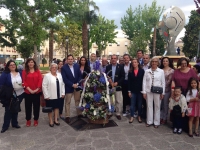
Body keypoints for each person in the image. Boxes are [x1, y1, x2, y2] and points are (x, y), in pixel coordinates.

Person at [171, 57, 198, 132]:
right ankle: (176, 125)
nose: (184, 65)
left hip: (189, 92)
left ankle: (186, 126)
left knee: (186, 109)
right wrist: (172, 91)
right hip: (178, 92)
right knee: (177, 109)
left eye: (185, 63)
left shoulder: (191, 71)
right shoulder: (176, 71)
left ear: (187, 63)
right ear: (179, 64)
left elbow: (196, 81)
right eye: (182, 63)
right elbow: (173, 81)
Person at [0, 60, 24, 133]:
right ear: (8, 66)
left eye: (14, 64)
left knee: (16, 108)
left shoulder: (19, 73)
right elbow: (1, 85)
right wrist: (10, 89)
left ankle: (14, 123)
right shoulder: (5, 74)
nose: (13, 66)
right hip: (9, 95)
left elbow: (23, 81)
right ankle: (5, 126)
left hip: (20, 94)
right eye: (11, 65)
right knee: (8, 110)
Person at [142, 57, 165, 128]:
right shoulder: (147, 71)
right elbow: (144, 82)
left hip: (158, 91)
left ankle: (156, 122)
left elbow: (163, 82)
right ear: (151, 62)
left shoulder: (161, 71)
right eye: (153, 61)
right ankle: (149, 121)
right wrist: (144, 92)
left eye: (155, 62)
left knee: (157, 106)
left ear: (158, 63)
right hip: (148, 91)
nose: (154, 63)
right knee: (149, 106)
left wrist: (163, 93)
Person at [61, 54, 82, 123]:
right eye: (69, 59)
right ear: (67, 60)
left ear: (73, 59)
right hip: (69, 87)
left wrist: (77, 84)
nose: (70, 60)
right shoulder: (64, 68)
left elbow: (80, 76)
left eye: (71, 59)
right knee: (67, 102)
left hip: (77, 87)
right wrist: (72, 85)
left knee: (77, 101)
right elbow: (64, 79)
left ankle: (79, 114)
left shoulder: (77, 66)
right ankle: (67, 116)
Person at [22, 58, 42, 127]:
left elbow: (40, 80)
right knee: (28, 107)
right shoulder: (24, 71)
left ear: (34, 63)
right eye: (29, 62)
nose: (31, 63)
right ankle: (28, 120)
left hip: (37, 92)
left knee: (36, 107)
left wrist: (37, 89)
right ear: (27, 63)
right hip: (28, 92)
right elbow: (24, 81)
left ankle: (36, 119)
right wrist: (30, 90)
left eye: (32, 62)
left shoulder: (37, 71)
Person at [105, 54, 125, 120]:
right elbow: (106, 75)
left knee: (118, 100)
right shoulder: (108, 67)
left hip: (118, 86)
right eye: (112, 58)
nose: (113, 59)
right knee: (110, 100)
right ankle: (110, 113)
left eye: (114, 58)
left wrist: (117, 82)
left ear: (117, 59)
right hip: (110, 86)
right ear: (111, 59)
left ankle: (118, 113)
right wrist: (109, 80)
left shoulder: (121, 66)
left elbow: (123, 77)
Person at [128, 58, 144, 123]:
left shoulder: (142, 71)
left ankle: (139, 116)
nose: (134, 63)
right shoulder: (130, 71)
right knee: (132, 105)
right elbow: (129, 82)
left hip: (140, 90)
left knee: (140, 104)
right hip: (133, 90)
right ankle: (132, 116)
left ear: (138, 63)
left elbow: (144, 81)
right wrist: (129, 91)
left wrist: (144, 91)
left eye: (135, 62)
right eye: (133, 62)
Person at [159, 57, 174, 124]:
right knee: (160, 104)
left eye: (166, 61)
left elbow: (169, 81)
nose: (165, 62)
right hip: (159, 90)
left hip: (167, 90)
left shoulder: (171, 71)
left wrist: (163, 87)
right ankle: (160, 117)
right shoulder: (160, 70)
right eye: (164, 61)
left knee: (165, 104)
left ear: (169, 62)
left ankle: (164, 118)